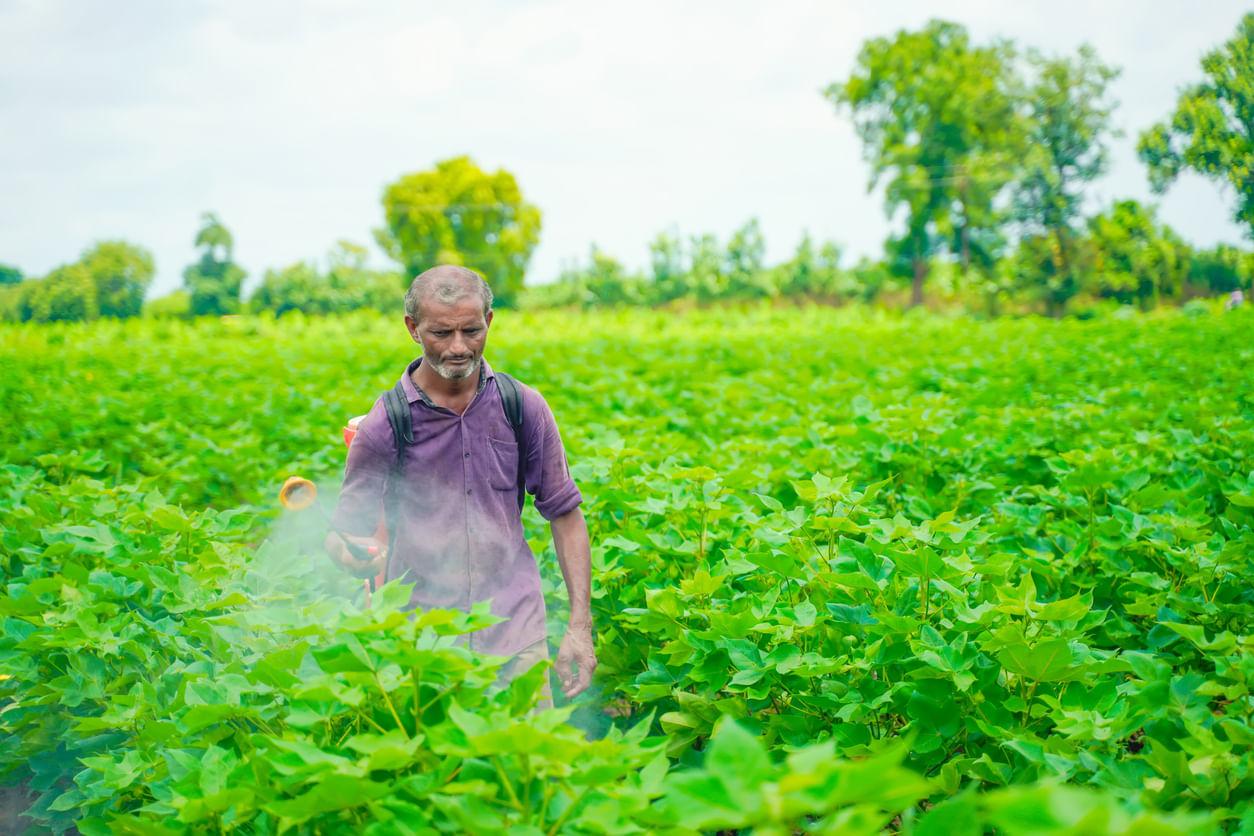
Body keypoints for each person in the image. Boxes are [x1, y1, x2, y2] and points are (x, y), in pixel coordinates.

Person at [324, 265, 596, 704]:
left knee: (529, 765)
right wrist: (352, 555)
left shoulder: (521, 406)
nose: (457, 348)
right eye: (440, 333)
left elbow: (565, 515)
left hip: (515, 631)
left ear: (489, 320)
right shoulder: (385, 425)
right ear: (412, 328)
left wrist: (579, 627)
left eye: (471, 330)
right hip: (423, 647)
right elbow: (346, 534)